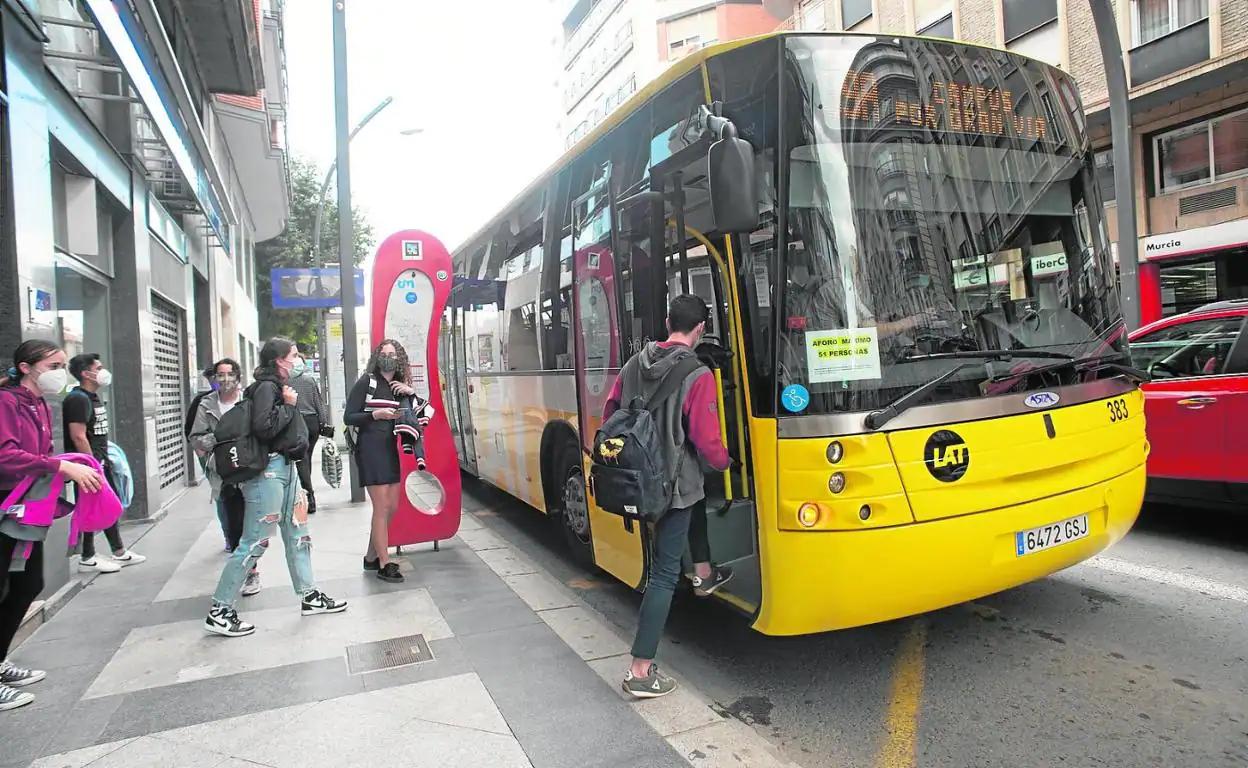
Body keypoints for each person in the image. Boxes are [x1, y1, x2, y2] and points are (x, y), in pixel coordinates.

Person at [602, 295, 731, 699]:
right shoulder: (698, 374)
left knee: (694, 504)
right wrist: (727, 463)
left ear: (668, 321)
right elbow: (707, 442)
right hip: (671, 484)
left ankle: (705, 573)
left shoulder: (633, 364)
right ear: (700, 329)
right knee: (662, 574)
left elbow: (611, 413)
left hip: (640, 478)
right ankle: (640, 669)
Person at [203, 337, 347, 638]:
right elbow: (264, 427)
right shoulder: (267, 388)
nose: (298, 359)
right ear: (280, 360)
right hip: (268, 473)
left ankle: (309, 595)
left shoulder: (274, 386)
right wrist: (290, 406)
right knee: (255, 540)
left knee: (298, 534)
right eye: (294, 355)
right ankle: (220, 610)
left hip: (286, 469)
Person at [0, 340, 104, 711]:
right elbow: (6, 456)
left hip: (28, 507)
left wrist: (64, 464)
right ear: (27, 367)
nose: (61, 372)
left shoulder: (39, 403)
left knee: (29, 583)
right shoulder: (7, 402)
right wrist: (60, 466)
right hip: (7, 506)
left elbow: (37, 455)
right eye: (54, 365)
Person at [63, 353, 145, 573]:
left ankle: (118, 551)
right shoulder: (78, 399)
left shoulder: (92, 397)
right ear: (85, 373)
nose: (102, 371)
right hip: (88, 466)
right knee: (91, 507)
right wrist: (92, 466)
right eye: (98, 368)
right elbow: (78, 435)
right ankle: (87, 557)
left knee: (107, 504)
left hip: (98, 461)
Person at [344, 339, 416, 584]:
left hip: (389, 448)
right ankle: (384, 563)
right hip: (370, 448)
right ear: (377, 357)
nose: (388, 357)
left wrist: (410, 393)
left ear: (399, 359)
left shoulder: (398, 386)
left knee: (392, 507)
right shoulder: (368, 382)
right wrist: (375, 414)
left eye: (392, 354)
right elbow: (349, 416)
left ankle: (371, 557)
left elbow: (414, 415)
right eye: (383, 353)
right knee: (381, 507)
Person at [189, 358, 259, 596]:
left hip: (249, 471)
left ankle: (252, 571)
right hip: (224, 473)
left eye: (230, 374)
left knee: (252, 524)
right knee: (235, 524)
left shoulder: (248, 401)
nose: (225, 379)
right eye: (220, 374)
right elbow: (196, 437)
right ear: (215, 378)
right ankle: (246, 571)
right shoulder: (206, 404)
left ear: (238, 377)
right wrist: (219, 438)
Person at [287, 353, 330, 515]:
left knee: (301, 459)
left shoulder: (285, 382)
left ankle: (308, 497)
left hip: (296, 422)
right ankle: (306, 492)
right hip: (312, 422)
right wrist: (323, 422)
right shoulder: (309, 380)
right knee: (306, 458)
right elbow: (319, 403)